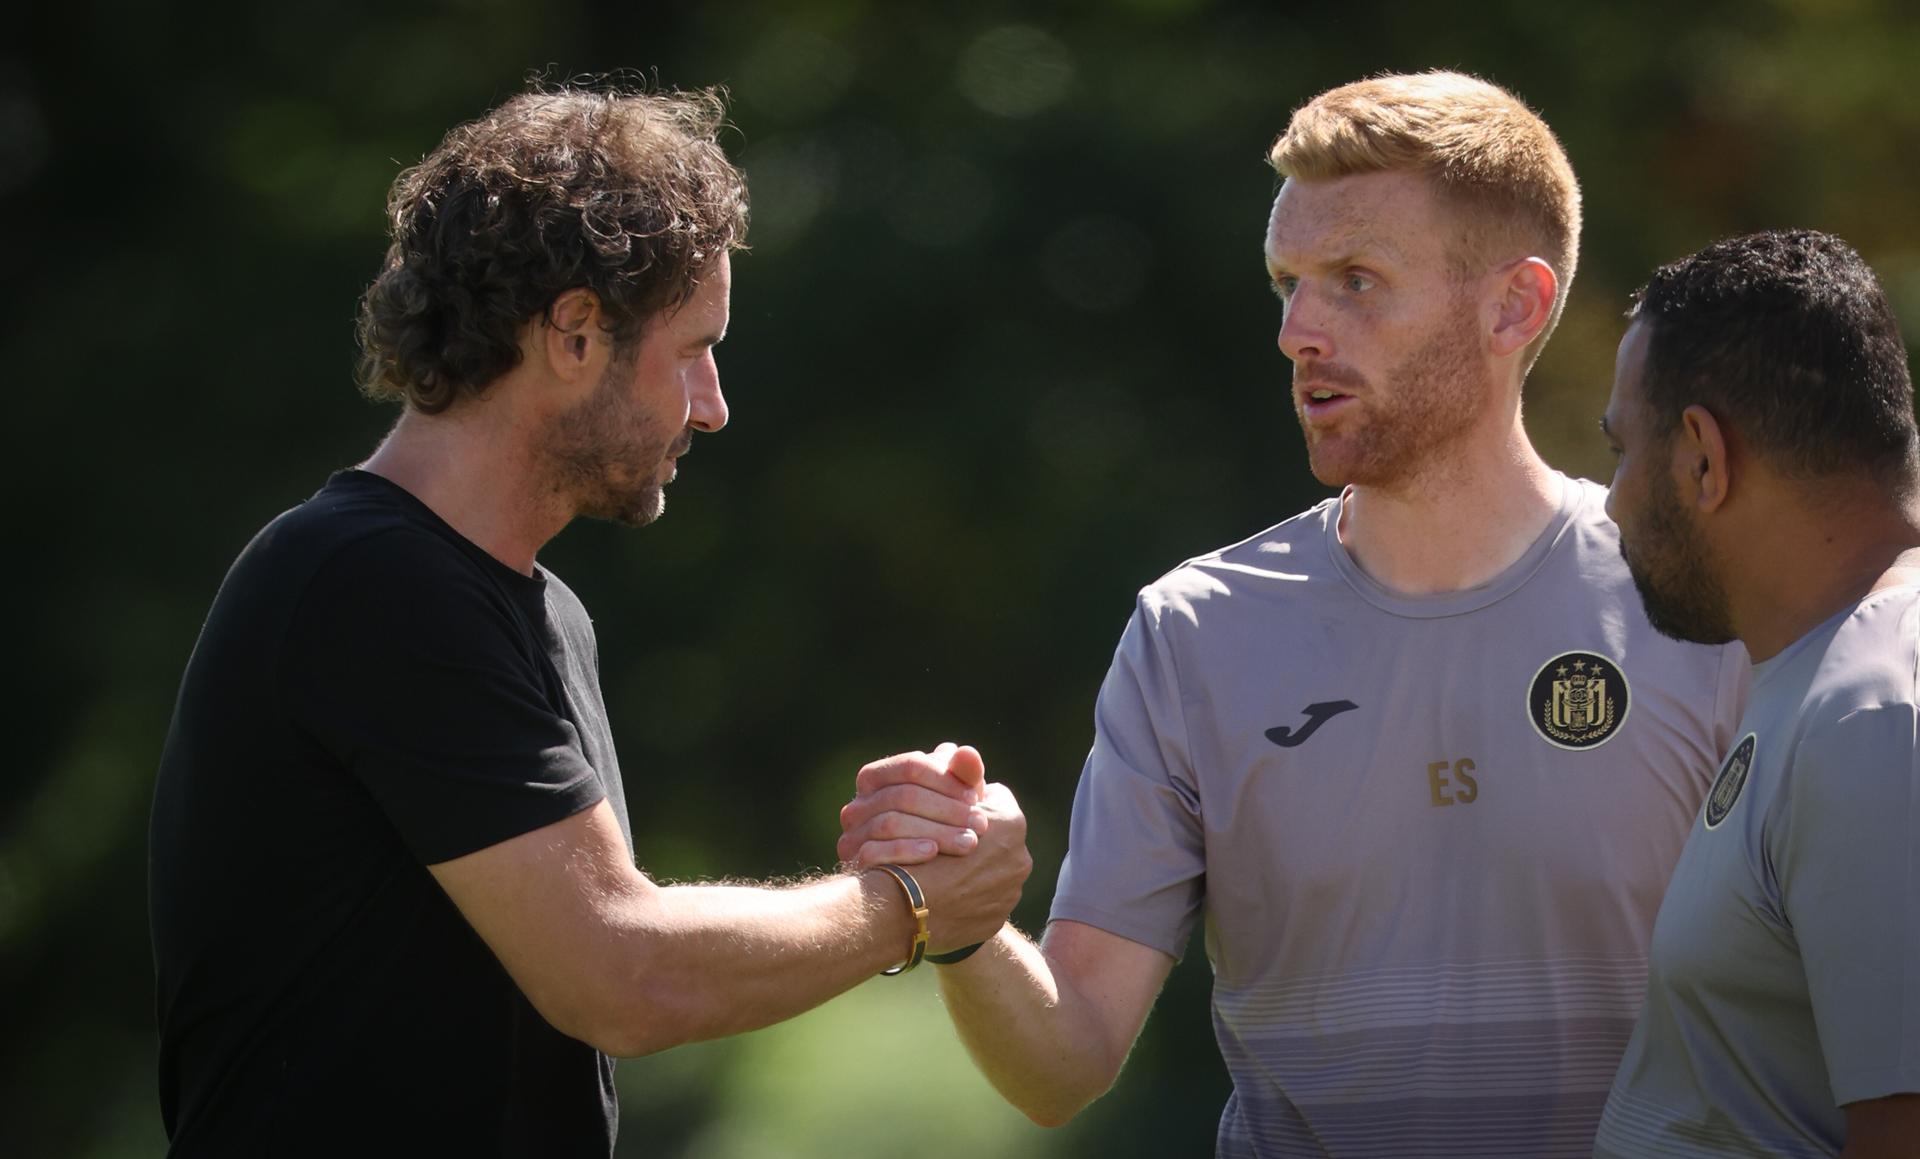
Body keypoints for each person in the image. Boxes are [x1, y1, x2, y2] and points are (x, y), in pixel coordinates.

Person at [839, 71, 1749, 1157]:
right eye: (1288, 283)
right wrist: (967, 925)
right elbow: (1064, 1061)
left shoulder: (1716, 611)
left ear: (1517, 305)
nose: (1298, 331)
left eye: (1356, 280)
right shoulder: (1194, 634)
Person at [146, 85, 1030, 1158]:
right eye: (692, 349)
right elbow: (624, 971)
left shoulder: (532, 606)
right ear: (572, 330)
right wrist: (910, 904)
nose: (713, 403)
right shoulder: (366, 581)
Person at [1592, 229, 1920, 1157]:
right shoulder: (1831, 674)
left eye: (1622, 450)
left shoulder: (1876, 711)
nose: (1611, 500)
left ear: (1703, 455)